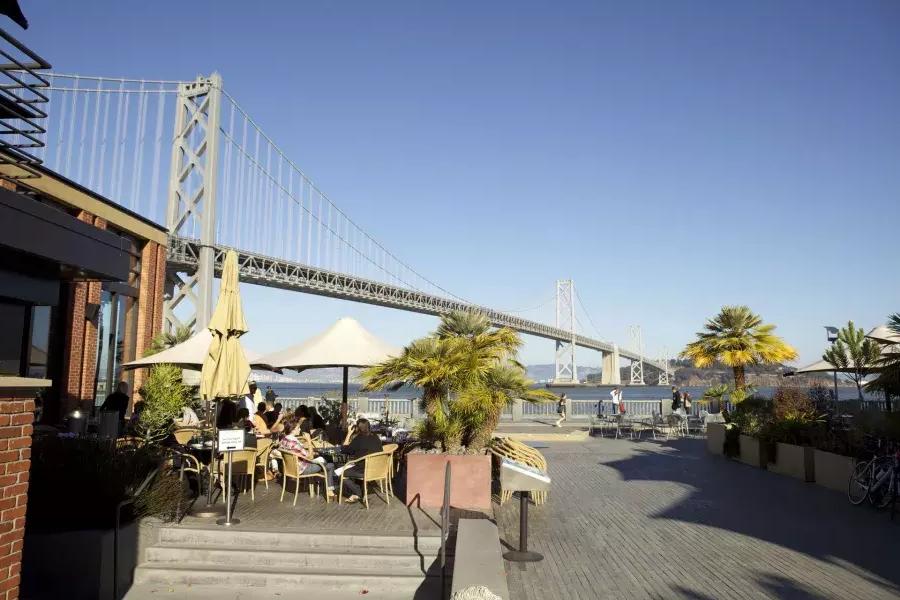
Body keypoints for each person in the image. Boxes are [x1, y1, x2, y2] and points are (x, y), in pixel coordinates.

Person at [279, 422, 336, 500]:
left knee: (329, 465)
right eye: (298, 428)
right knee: (330, 463)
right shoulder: (294, 443)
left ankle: (328, 490)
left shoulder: (283, 440)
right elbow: (311, 457)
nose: (300, 429)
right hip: (303, 469)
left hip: (291, 469)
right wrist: (309, 440)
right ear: (292, 430)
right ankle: (329, 491)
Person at [338, 418, 383, 503]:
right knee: (355, 465)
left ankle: (358, 492)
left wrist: (349, 433)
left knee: (341, 474)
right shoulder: (376, 437)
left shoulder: (359, 439)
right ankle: (359, 491)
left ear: (358, 428)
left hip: (364, 470)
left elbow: (344, 449)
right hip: (378, 469)